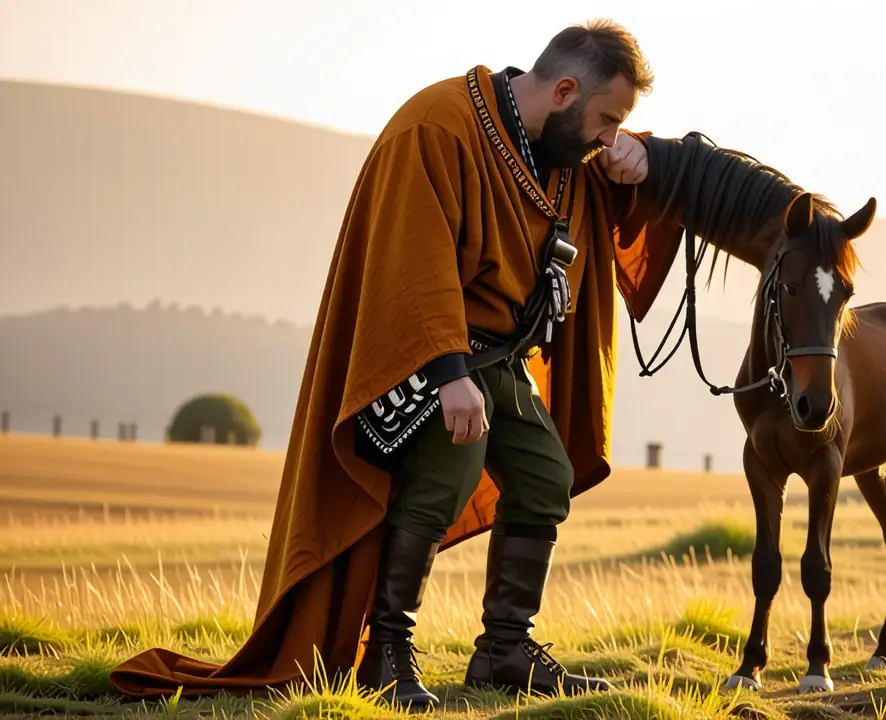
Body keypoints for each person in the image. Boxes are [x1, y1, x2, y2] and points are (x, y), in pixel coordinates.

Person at [108, 18, 688, 714]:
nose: (608, 139)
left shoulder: (558, 152)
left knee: (545, 475)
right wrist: (448, 373)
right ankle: (388, 650)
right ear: (564, 89)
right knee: (450, 470)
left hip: (500, 360)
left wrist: (640, 167)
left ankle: (504, 650)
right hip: (425, 356)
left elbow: (602, 194)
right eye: (607, 121)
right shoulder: (437, 126)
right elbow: (411, 262)